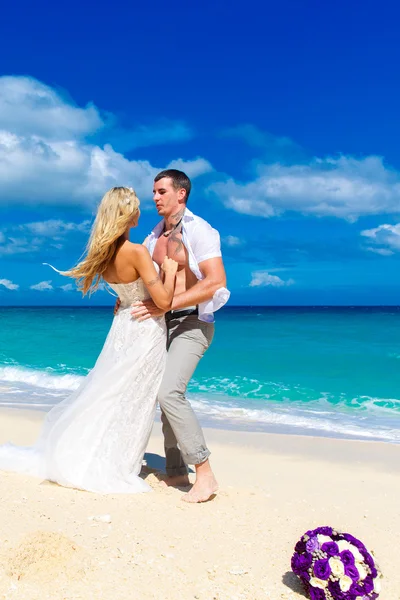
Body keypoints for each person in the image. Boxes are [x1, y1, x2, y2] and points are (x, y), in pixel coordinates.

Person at [0, 187, 178, 494]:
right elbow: (163, 301)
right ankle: (119, 462)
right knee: (135, 398)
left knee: (112, 393)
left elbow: (125, 298)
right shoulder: (137, 252)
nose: (140, 211)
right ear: (127, 215)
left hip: (122, 326)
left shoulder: (106, 257)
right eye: (136, 207)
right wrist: (172, 273)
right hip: (145, 331)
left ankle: (106, 454)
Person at [128, 169, 230, 503]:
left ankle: (205, 473)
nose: (154, 197)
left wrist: (167, 304)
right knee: (161, 392)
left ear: (181, 193)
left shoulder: (200, 231)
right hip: (162, 325)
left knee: (170, 391)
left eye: (161, 191)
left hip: (193, 324)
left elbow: (215, 281)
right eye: (153, 192)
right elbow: (145, 278)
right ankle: (174, 469)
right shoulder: (153, 237)